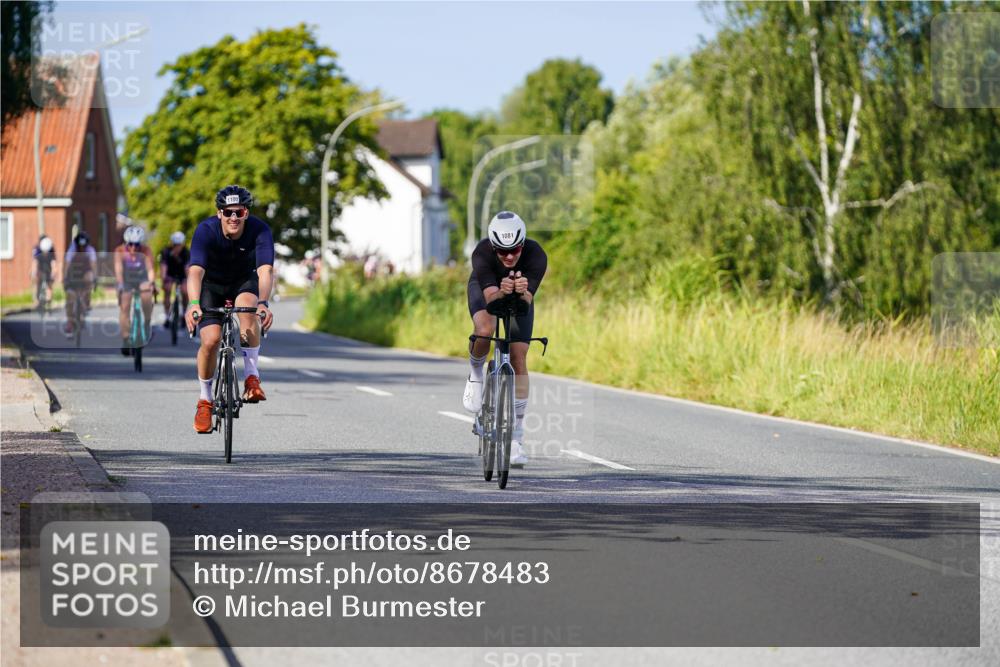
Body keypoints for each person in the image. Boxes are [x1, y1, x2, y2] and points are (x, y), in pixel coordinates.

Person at [184, 185, 275, 434]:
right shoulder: (205, 231)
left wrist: (264, 303)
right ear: (219, 213)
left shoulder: (260, 230)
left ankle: (252, 378)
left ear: (246, 213)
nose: (233, 217)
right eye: (227, 212)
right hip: (211, 285)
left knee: (248, 309)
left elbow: (265, 271)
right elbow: (195, 272)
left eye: (239, 212)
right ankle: (205, 400)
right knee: (211, 340)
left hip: (243, 282)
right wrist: (193, 304)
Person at [463, 211, 547, 467]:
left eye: (515, 250)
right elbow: (491, 300)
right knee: (486, 330)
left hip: (517, 296)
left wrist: (521, 293)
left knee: (519, 356)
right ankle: (476, 372)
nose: (509, 256)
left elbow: (526, 303)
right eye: (502, 251)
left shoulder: (536, 255)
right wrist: (502, 290)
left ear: (523, 244)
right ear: (493, 246)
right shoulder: (482, 253)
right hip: (485, 289)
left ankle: (516, 438)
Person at [114, 226, 156, 356]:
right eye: (130, 244)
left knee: (147, 297)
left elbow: (150, 270)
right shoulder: (120, 251)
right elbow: (119, 270)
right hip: (126, 280)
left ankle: (147, 322)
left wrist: (152, 283)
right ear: (126, 243)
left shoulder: (146, 251)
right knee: (125, 306)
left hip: (141, 279)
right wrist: (120, 284)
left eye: (136, 245)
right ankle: (126, 338)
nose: (133, 248)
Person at [63, 232, 97, 337]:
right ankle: (69, 322)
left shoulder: (91, 250)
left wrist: (95, 279)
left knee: (89, 280)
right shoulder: (71, 250)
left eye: (84, 246)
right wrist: (65, 278)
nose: (82, 248)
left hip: (84, 274)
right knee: (70, 298)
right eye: (79, 246)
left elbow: (93, 266)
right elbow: (67, 265)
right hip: (73, 274)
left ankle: (85, 304)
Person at [160, 231, 190, 327]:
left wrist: (188, 280)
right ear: (172, 244)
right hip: (170, 274)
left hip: (182, 275)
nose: (177, 247)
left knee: (185, 292)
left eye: (179, 245)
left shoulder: (186, 252)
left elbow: (187, 267)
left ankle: (184, 313)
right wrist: (164, 278)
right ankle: (167, 316)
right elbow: (163, 266)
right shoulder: (166, 251)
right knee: (167, 289)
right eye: (175, 245)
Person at [31, 235, 59, 309]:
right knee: (37, 281)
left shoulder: (51, 248)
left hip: (48, 267)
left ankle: (49, 300)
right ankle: (36, 300)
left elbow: (54, 263)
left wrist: (54, 272)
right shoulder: (37, 249)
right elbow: (35, 262)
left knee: (49, 282)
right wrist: (34, 272)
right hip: (40, 266)